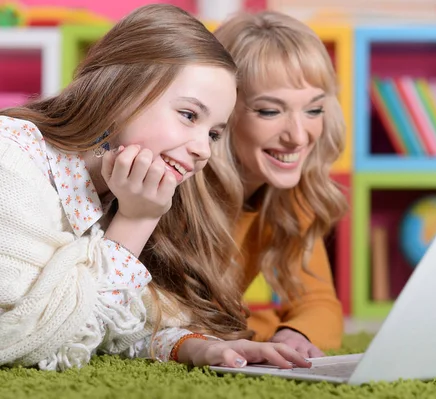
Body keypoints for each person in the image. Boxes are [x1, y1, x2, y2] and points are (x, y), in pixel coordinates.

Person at [0, 4, 310, 372]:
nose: (202, 149)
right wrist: (135, 221)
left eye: (213, 133)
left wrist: (197, 349)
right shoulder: (12, 162)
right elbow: (26, 339)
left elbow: (112, 321)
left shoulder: (123, 189)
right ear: (122, 93)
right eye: (189, 115)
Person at [204, 10, 349, 357]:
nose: (298, 136)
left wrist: (294, 333)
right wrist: (262, 326)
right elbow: (169, 321)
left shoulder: (294, 192)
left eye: (313, 110)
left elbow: (320, 303)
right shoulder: (180, 186)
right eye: (270, 111)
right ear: (223, 111)